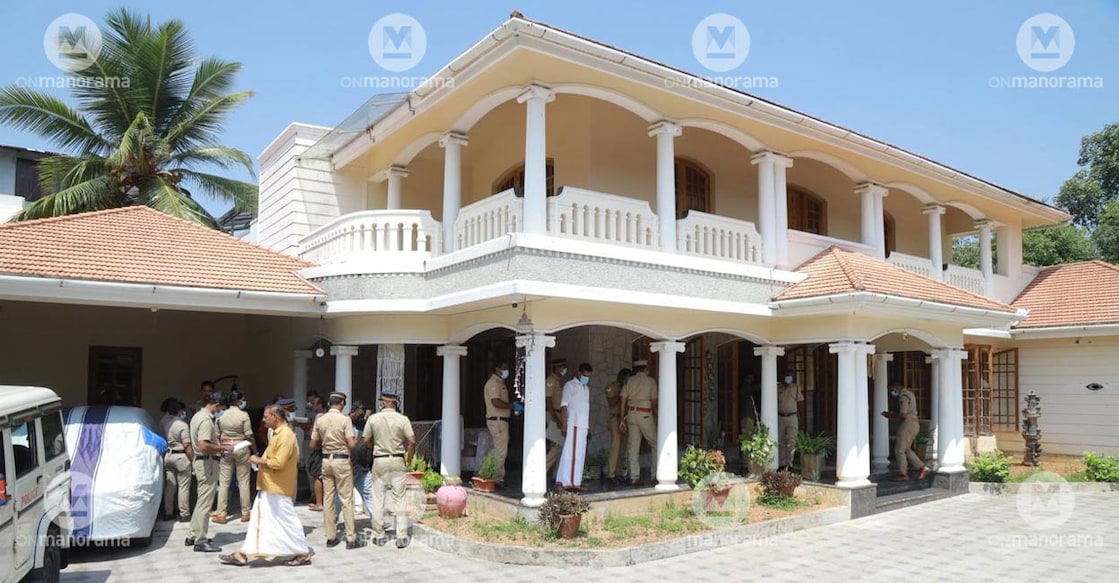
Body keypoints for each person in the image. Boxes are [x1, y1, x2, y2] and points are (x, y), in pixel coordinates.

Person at [218, 404, 313, 568]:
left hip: (278, 487)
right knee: (260, 521)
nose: (263, 420)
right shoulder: (278, 434)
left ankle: (302, 552)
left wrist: (257, 460)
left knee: (287, 520)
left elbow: (278, 462)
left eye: (265, 417)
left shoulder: (285, 435)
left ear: (275, 417)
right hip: (269, 486)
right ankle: (243, 554)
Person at [362, 390, 416, 549]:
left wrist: (376, 448)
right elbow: (412, 441)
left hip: (380, 460)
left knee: (378, 498)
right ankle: (401, 535)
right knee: (400, 498)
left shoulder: (373, 418)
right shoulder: (403, 419)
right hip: (398, 459)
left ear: (383, 403)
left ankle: (378, 535)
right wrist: (409, 459)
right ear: (394, 403)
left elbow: (365, 440)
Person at [186, 392, 233, 552]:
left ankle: (193, 534)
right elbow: (204, 445)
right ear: (216, 405)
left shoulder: (197, 416)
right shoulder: (206, 420)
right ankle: (201, 540)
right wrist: (222, 448)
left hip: (202, 462)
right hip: (207, 463)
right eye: (222, 409)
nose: (221, 412)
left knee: (201, 501)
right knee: (205, 503)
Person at [310, 392, 358, 549]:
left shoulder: (320, 420)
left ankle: (331, 537)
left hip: (326, 460)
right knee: (346, 499)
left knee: (328, 499)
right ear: (342, 403)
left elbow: (313, 444)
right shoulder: (345, 420)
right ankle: (350, 538)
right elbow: (351, 444)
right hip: (341, 460)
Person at [214, 390, 256, 524]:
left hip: (226, 448)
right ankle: (245, 513)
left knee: (224, 482)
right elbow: (249, 435)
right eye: (243, 400)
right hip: (242, 447)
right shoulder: (244, 415)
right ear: (238, 401)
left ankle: (221, 514)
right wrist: (254, 450)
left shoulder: (221, 415)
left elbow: (216, 434)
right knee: (243, 481)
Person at [619, 360, 658, 486]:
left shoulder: (629, 381)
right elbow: (654, 401)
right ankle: (655, 474)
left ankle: (634, 476)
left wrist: (621, 418)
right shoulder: (650, 381)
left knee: (633, 447)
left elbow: (623, 400)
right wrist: (657, 414)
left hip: (631, 413)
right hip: (645, 414)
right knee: (655, 444)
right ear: (646, 369)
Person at [882, 381, 931, 481]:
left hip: (907, 424)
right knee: (906, 449)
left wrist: (890, 415)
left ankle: (903, 474)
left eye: (892, 390)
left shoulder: (903, 396)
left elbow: (903, 414)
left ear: (896, 387)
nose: (892, 393)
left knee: (899, 450)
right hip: (915, 424)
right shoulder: (910, 393)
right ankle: (922, 467)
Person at [556, 363, 594, 491]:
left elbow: (585, 408)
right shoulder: (570, 386)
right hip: (574, 423)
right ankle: (570, 482)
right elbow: (564, 406)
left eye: (588, 376)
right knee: (572, 454)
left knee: (579, 453)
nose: (586, 378)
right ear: (578, 372)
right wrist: (564, 425)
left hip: (583, 424)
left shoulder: (586, 388)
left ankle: (564, 480)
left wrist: (588, 427)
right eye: (584, 375)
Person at [160, 398, 193, 522]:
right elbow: (187, 445)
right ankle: (184, 513)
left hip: (168, 455)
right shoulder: (182, 425)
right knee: (183, 486)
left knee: (170, 485)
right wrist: (193, 460)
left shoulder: (164, 422)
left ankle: (168, 512)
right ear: (179, 410)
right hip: (181, 457)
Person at [482, 362, 512, 488]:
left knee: (499, 449)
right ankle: (493, 478)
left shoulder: (500, 382)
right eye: (504, 368)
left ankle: (489, 473)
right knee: (501, 451)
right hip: (497, 420)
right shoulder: (493, 383)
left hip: (501, 420)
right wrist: (511, 406)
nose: (506, 371)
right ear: (497, 368)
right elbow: (496, 402)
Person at [603, 368, 631, 485]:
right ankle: (611, 473)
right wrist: (621, 394)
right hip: (615, 418)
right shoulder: (611, 386)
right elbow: (611, 403)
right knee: (616, 445)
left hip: (624, 419)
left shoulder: (628, 387)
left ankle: (618, 472)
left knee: (622, 447)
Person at [349, 401, 374, 517]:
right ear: (353, 411)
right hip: (348, 465)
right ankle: (332, 521)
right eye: (361, 412)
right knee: (342, 496)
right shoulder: (346, 423)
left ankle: (377, 520)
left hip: (362, 465)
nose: (363, 414)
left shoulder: (364, 424)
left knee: (368, 493)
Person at [544, 358, 567, 478]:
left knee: (555, 445)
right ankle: (542, 470)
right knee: (559, 444)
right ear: (556, 368)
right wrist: (556, 420)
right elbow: (548, 401)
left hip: (558, 414)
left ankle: (556, 475)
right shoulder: (551, 381)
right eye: (562, 367)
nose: (564, 369)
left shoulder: (557, 381)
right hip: (553, 415)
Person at [777, 369, 804, 468]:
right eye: (786, 376)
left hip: (792, 416)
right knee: (780, 441)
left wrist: (801, 416)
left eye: (790, 375)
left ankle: (790, 463)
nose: (788, 378)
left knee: (791, 441)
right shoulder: (777, 387)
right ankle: (781, 463)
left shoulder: (795, 387)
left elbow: (800, 402)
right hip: (780, 416)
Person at [304, 391, 326, 511]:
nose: (311, 405)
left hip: (318, 448)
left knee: (317, 475)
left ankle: (319, 502)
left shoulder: (319, 417)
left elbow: (314, 433)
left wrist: (312, 446)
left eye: (314, 403)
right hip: (326, 449)